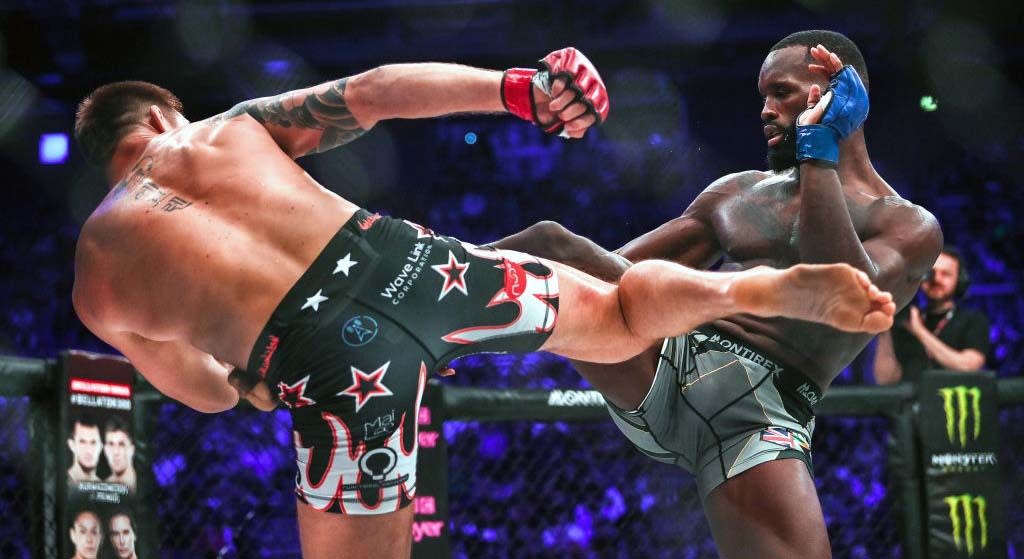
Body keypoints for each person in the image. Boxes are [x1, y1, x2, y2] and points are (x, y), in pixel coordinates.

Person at [71, 47, 893, 558]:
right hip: (405, 260)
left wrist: (244, 378)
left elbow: (207, 393)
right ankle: (744, 288)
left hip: (324, 363)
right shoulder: (223, 130)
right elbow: (378, 90)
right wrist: (518, 89)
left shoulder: (98, 273)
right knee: (615, 316)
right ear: (158, 113)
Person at [490, 31, 942, 558]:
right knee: (552, 246)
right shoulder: (738, 193)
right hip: (663, 360)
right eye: (763, 97)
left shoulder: (909, 226)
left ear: (837, 91)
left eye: (783, 93)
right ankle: (413, 293)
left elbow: (839, 288)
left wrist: (821, 148)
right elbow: (621, 277)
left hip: (759, 413)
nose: (766, 111)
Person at [875, 245, 990, 384]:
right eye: (931, 272)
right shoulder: (906, 318)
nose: (936, 279)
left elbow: (969, 367)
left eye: (945, 274)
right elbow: (885, 379)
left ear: (959, 280)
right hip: (913, 403)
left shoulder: (973, 320)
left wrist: (919, 331)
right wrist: (885, 329)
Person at [103, 416, 137, 491]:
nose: (115, 452)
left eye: (121, 445)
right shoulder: (102, 487)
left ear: (131, 450)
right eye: (111, 444)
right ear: (105, 450)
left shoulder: (143, 486)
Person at [67, 416, 103, 484]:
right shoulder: (58, 485)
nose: (88, 450)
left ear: (100, 447)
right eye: (82, 442)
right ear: (72, 445)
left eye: (93, 442)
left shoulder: (105, 488)